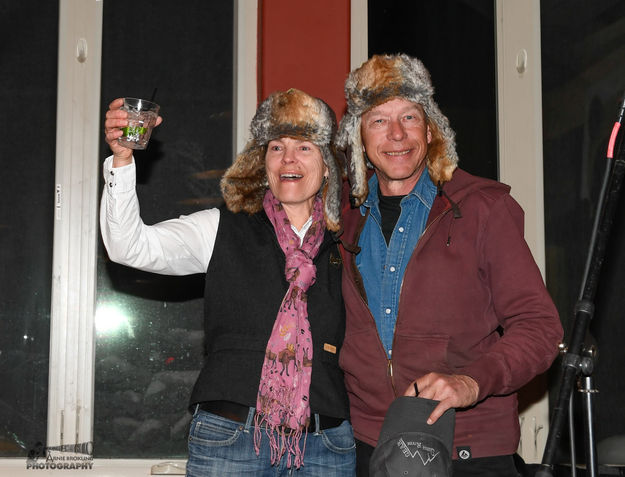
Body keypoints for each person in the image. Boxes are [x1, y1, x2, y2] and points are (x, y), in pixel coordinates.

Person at [100, 88, 356, 476]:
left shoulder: (349, 240)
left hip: (326, 447)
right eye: (275, 147)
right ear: (261, 161)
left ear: (327, 165)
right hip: (231, 441)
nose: (288, 158)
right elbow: (129, 246)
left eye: (304, 147)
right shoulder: (221, 226)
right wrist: (122, 160)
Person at [334, 53, 564, 477]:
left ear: (431, 127)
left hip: (469, 448)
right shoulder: (341, 216)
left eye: (410, 116)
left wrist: (471, 381)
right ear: (358, 137)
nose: (397, 134)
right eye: (379, 120)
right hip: (369, 446)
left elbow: (540, 328)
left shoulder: (482, 209)